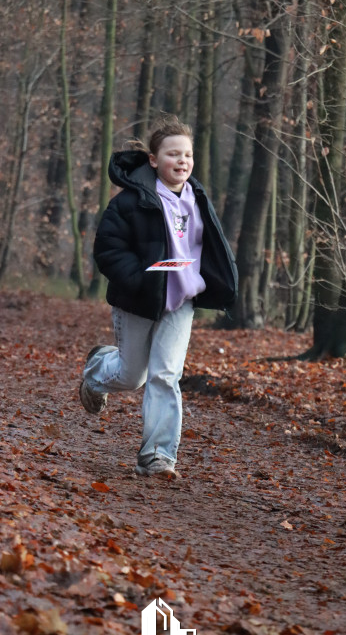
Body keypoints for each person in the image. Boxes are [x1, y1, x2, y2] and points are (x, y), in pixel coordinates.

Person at [79, 116, 238, 478]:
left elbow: (209, 247)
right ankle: (96, 371)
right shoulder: (131, 201)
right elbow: (108, 247)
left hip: (181, 302)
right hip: (138, 299)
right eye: (173, 154)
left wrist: (219, 280)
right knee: (132, 375)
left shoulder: (197, 198)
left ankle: (157, 455)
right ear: (153, 160)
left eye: (187, 155)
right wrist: (137, 279)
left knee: (165, 375)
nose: (182, 161)